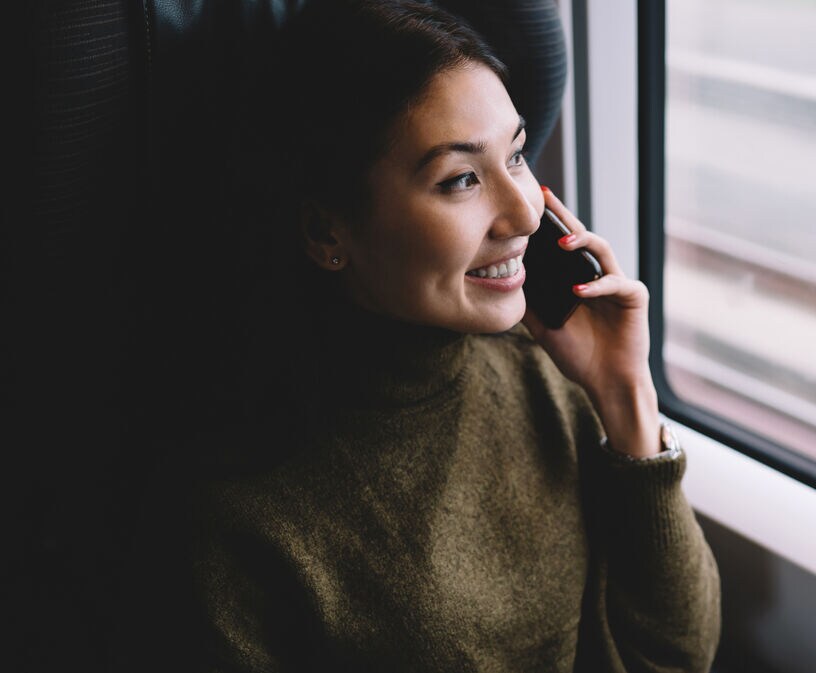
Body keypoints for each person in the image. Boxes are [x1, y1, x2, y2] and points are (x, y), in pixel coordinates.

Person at [124, 1, 720, 670]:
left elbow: (673, 658)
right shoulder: (236, 516)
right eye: (460, 178)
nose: (525, 211)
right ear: (328, 232)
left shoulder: (548, 374)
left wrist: (626, 394)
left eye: (517, 154)